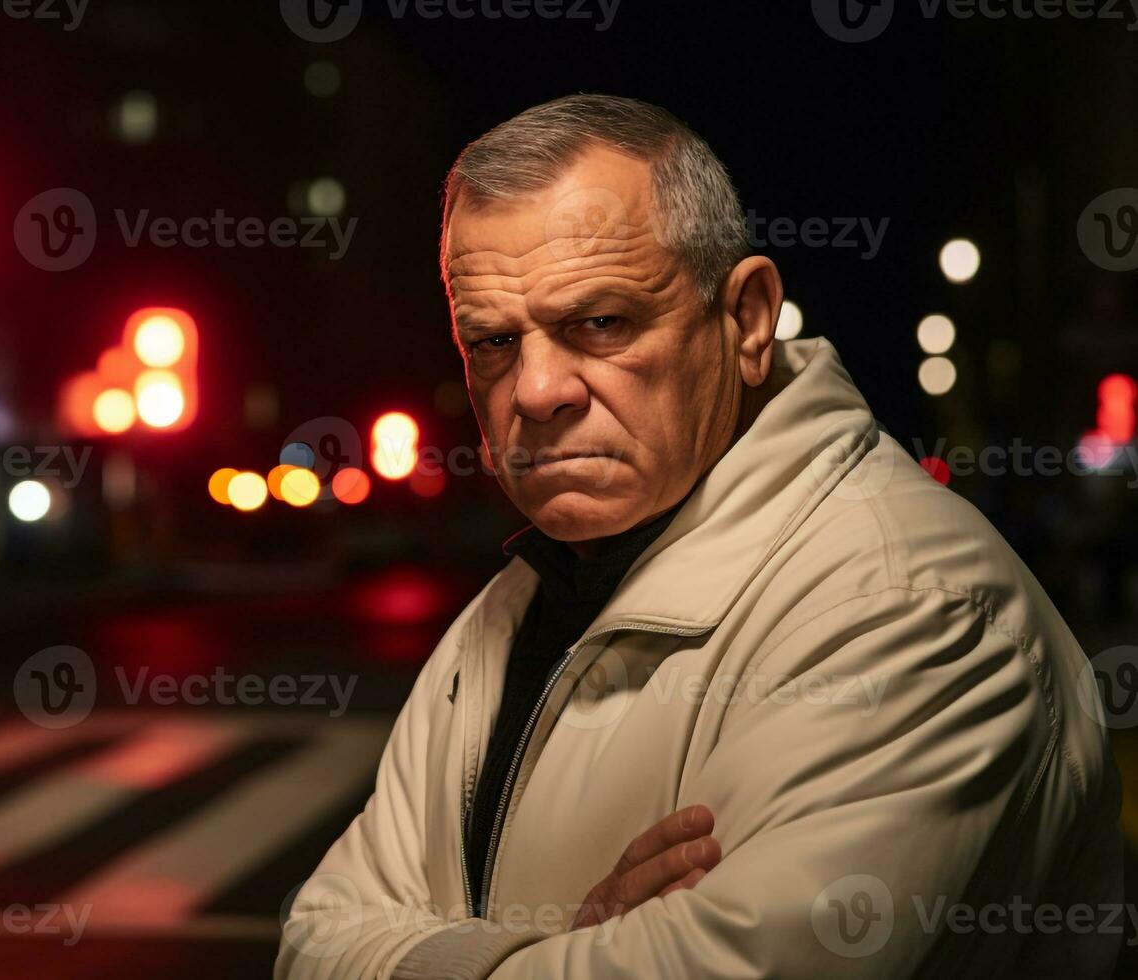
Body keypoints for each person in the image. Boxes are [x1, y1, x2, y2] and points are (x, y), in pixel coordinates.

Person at [277, 94, 1122, 979]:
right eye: (489, 341)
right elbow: (309, 941)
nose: (533, 391)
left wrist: (439, 952)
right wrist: (569, 952)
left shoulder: (909, 606)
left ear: (748, 319)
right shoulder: (509, 609)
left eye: (598, 323)